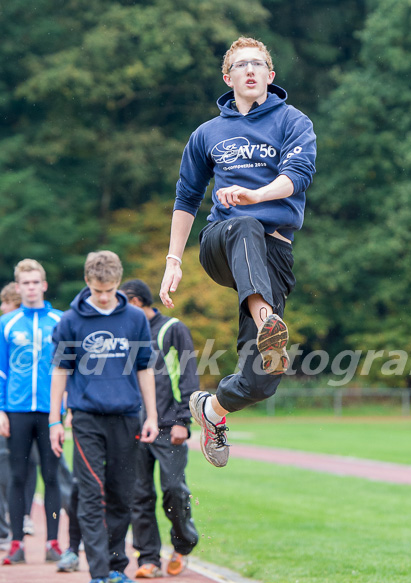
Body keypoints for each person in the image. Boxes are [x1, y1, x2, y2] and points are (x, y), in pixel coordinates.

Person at [159, 37, 316, 468]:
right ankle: (267, 318)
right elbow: (187, 198)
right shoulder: (207, 134)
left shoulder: (293, 121)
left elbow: (297, 177)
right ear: (228, 78)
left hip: (273, 254)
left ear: (270, 75)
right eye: (241, 65)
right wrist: (173, 261)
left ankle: (212, 411)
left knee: (263, 378)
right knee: (245, 226)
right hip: (222, 243)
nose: (251, 70)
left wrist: (256, 194)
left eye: (259, 64)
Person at [50, 251, 159, 583]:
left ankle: (116, 568)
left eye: (110, 290)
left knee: (121, 494)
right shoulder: (70, 320)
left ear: (117, 282)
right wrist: (56, 420)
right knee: (92, 493)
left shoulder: (134, 318)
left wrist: (152, 415)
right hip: (86, 418)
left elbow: (144, 368)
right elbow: (60, 371)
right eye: (98, 290)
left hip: (127, 416)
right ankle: (97, 573)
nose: (103, 296)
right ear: (87, 283)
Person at [121, 279, 199, 579]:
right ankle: (148, 558)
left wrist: (183, 421)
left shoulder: (173, 328)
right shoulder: (125, 332)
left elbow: (188, 376)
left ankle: (182, 546)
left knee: (174, 490)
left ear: (137, 302)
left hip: (169, 427)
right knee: (139, 495)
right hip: (134, 427)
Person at [0, 261, 63, 565]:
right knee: (17, 475)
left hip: (51, 414)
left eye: (35, 282)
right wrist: (1, 410)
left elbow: (71, 370)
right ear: (18, 287)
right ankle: (15, 543)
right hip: (17, 410)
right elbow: (1, 371)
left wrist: (66, 410)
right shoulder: (7, 323)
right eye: (25, 283)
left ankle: (53, 542)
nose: (31, 288)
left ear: (44, 285)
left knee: (52, 476)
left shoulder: (60, 321)